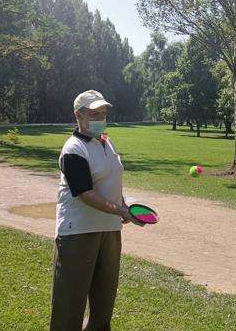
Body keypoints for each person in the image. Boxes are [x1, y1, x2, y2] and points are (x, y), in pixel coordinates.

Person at [51, 90, 144, 331]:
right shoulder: (73, 149)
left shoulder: (106, 142)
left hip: (109, 230)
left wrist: (123, 205)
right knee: (69, 308)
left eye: (103, 113)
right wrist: (120, 211)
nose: (100, 118)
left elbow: (110, 182)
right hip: (78, 232)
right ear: (78, 115)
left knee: (103, 309)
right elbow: (86, 194)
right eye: (94, 114)